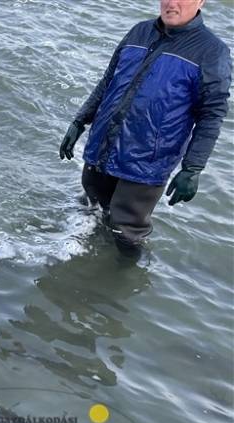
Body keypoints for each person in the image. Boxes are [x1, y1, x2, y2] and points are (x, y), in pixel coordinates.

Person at [58, 0, 231, 253]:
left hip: (146, 162)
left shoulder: (212, 51)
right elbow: (108, 82)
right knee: (91, 209)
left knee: (126, 231)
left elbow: (211, 114)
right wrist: (80, 121)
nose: (172, 3)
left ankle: (122, 284)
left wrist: (193, 168)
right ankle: (83, 266)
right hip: (104, 146)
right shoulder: (139, 31)